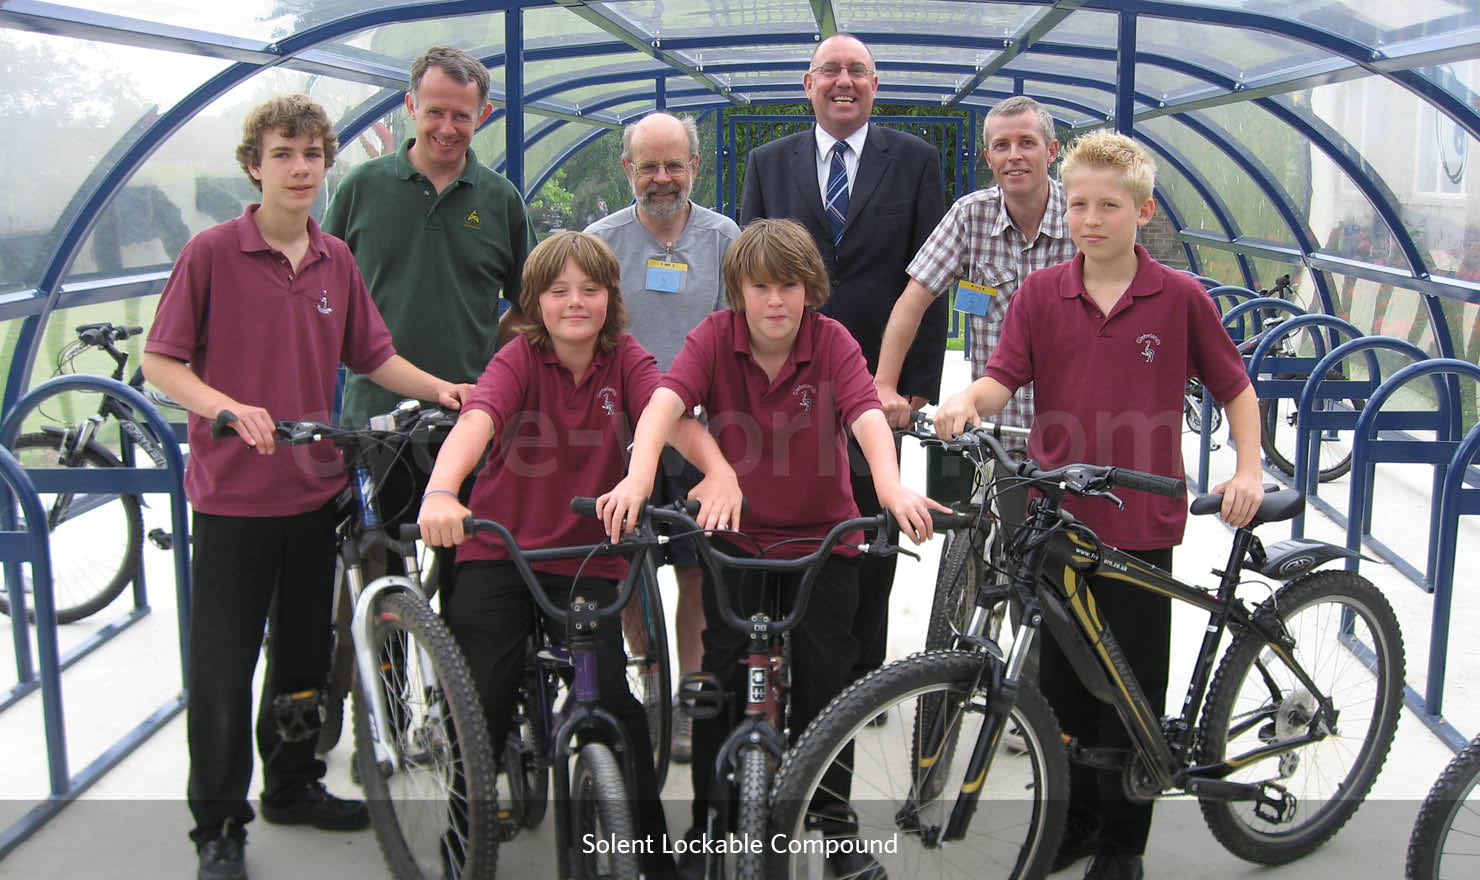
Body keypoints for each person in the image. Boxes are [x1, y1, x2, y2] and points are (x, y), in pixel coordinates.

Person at [140, 94, 472, 880]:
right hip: (232, 500)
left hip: (311, 490)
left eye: (313, 155)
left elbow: (372, 356)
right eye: (284, 155)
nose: (300, 169)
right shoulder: (213, 253)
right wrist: (226, 408)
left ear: (328, 166)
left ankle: (291, 786)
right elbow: (161, 364)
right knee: (223, 667)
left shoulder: (334, 260)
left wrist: (445, 390)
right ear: (254, 165)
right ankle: (218, 826)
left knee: (299, 656)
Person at [934, 129, 1266, 880]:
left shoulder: (1178, 297)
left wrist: (1247, 468)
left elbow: (1236, 390)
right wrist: (967, 404)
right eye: (1078, 203)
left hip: (1140, 524)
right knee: (1063, 693)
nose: (1090, 218)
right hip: (1057, 522)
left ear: (1142, 211)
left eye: (1109, 205)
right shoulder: (1041, 293)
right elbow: (1001, 379)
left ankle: (1123, 843)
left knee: (1131, 688)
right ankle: (1077, 821)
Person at [599, 218, 946, 880]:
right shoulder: (714, 337)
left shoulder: (831, 339)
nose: (776, 301)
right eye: (760, 287)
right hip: (737, 540)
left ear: (810, 289)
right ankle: (709, 819)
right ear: (737, 291)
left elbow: (866, 414)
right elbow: (666, 404)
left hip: (824, 541)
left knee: (829, 684)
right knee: (719, 680)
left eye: (789, 285)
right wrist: (640, 476)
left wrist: (891, 485)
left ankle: (835, 824)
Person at [416, 231, 733, 880]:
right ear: (535, 304)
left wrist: (720, 471)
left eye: (590, 289)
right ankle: (462, 831)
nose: (575, 302)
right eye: (558, 291)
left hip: (587, 557)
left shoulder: (626, 359)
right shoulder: (518, 360)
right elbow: (476, 422)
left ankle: (651, 856)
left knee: (614, 704)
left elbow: (669, 414)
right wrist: (444, 490)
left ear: (611, 298)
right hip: (499, 551)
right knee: (481, 699)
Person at [739, 32, 946, 689]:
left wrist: (914, 389)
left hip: (877, 390)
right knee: (782, 517)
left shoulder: (914, 161)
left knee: (870, 526)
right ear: (809, 84)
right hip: (782, 386)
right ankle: (783, 659)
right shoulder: (768, 164)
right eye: (830, 70)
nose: (844, 81)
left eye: (858, 70)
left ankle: (860, 675)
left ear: (875, 86)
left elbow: (931, 280)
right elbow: (746, 278)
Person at [321, 44, 535, 544]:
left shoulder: (500, 199)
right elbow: (320, 290)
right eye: (434, 111)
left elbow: (534, 300)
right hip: (374, 413)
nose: (446, 126)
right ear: (410, 106)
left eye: (461, 115)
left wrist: (494, 354)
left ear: (483, 115)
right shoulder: (362, 188)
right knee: (380, 564)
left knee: (469, 570)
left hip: (470, 415)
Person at [584, 110, 740, 764]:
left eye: (674, 164)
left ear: (695, 168)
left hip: (701, 429)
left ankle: (689, 693)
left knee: (698, 572)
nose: (661, 177)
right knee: (629, 569)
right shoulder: (600, 242)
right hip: (623, 434)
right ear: (627, 170)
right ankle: (651, 680)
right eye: (647, 165)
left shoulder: (724, 238)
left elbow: (738, 332)